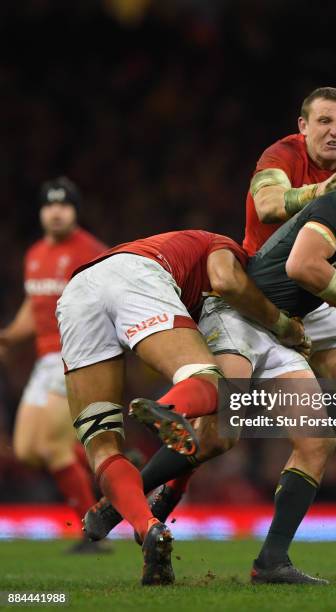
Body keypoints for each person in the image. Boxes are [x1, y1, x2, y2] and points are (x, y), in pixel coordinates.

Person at [81, 134, 336, 583]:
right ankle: (164, 423)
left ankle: (271, 562)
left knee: (316, 439)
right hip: (240, 313)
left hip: (279, 325)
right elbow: (301, 266)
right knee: (225, 414)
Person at [56, 228, 306, 585]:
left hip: (78, 292)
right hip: (137, 275)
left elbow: (197, 439)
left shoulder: (180, 264)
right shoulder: (226, 247)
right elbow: (228, 279)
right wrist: (283, 325)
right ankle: (171, 406)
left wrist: (177, 487)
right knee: (212, 382)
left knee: (102, 443)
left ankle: (148, 527)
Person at [0, 177, 109, 553]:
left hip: (75, 356)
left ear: (75, 211)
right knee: (27, 449)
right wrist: (10, 337)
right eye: (49, 205)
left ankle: (91, 534)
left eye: (64, 204)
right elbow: (35, 305)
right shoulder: (34, 254)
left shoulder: (91, 251)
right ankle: (108, 456)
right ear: (42, 212)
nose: (56, 211)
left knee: (52, 448)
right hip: (44, 359)